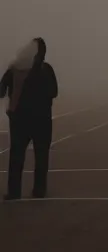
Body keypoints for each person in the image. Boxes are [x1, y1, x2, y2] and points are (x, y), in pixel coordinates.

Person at [0, 38, 58, 201]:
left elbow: (1, 90)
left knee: (16, 156)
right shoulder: (45, 69)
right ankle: (39, 190)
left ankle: (14, 191)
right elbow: (54, 91)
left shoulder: (15, 69)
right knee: (41, 156)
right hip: (42, 119)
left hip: (19, 118)